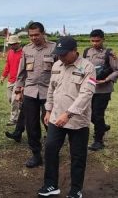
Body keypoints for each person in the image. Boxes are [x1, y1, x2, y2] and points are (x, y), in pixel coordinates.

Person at [38, 36, 95, 198]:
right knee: (50, 150)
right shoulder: (57, 65)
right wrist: (48, 110)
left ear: (74, 51)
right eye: (59, 54)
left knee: (77, 156)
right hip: (56, 117)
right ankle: (51, 185)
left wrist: (68, 114)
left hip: (78, 121)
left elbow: (86, 94)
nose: (60, 57)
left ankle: (75, 190)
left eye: (64, 54)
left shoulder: (87, 67)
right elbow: (51, 89)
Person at [14, 22, 56, 168]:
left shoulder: (53, 48)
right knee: (31, 125)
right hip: (31, 91)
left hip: (48, 92)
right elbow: (22, 72)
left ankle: (52, 152)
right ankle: (36, 154)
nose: (33, 38)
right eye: (31, 35)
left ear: (43, 33)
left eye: (36, 35)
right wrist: (19, 90)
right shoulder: (26, 49)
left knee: (50, 124)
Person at [83, 29, 118, 151]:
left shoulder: (109, 53)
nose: (94, 43)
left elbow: (116, 70)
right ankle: (102, 126)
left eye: (97, 41)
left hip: (103, 89)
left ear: (103, 39)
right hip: (90, 88)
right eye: (92, 41)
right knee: (89, 114)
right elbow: (83, 68)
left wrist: (107, 79)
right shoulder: (87, 51)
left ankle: (99, 141)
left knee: (97, 115)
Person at [0, 35, 23, 126]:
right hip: (11, 80)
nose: (11, 46)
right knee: (10, 99)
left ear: (18, 43)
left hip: (19, 81)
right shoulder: (10, 52)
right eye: (10, 44)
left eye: (13, 44)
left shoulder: (23, 53)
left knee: (14, 100)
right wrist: (3, 76)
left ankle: (14, 119)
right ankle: (21, 108)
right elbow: (8, 66)